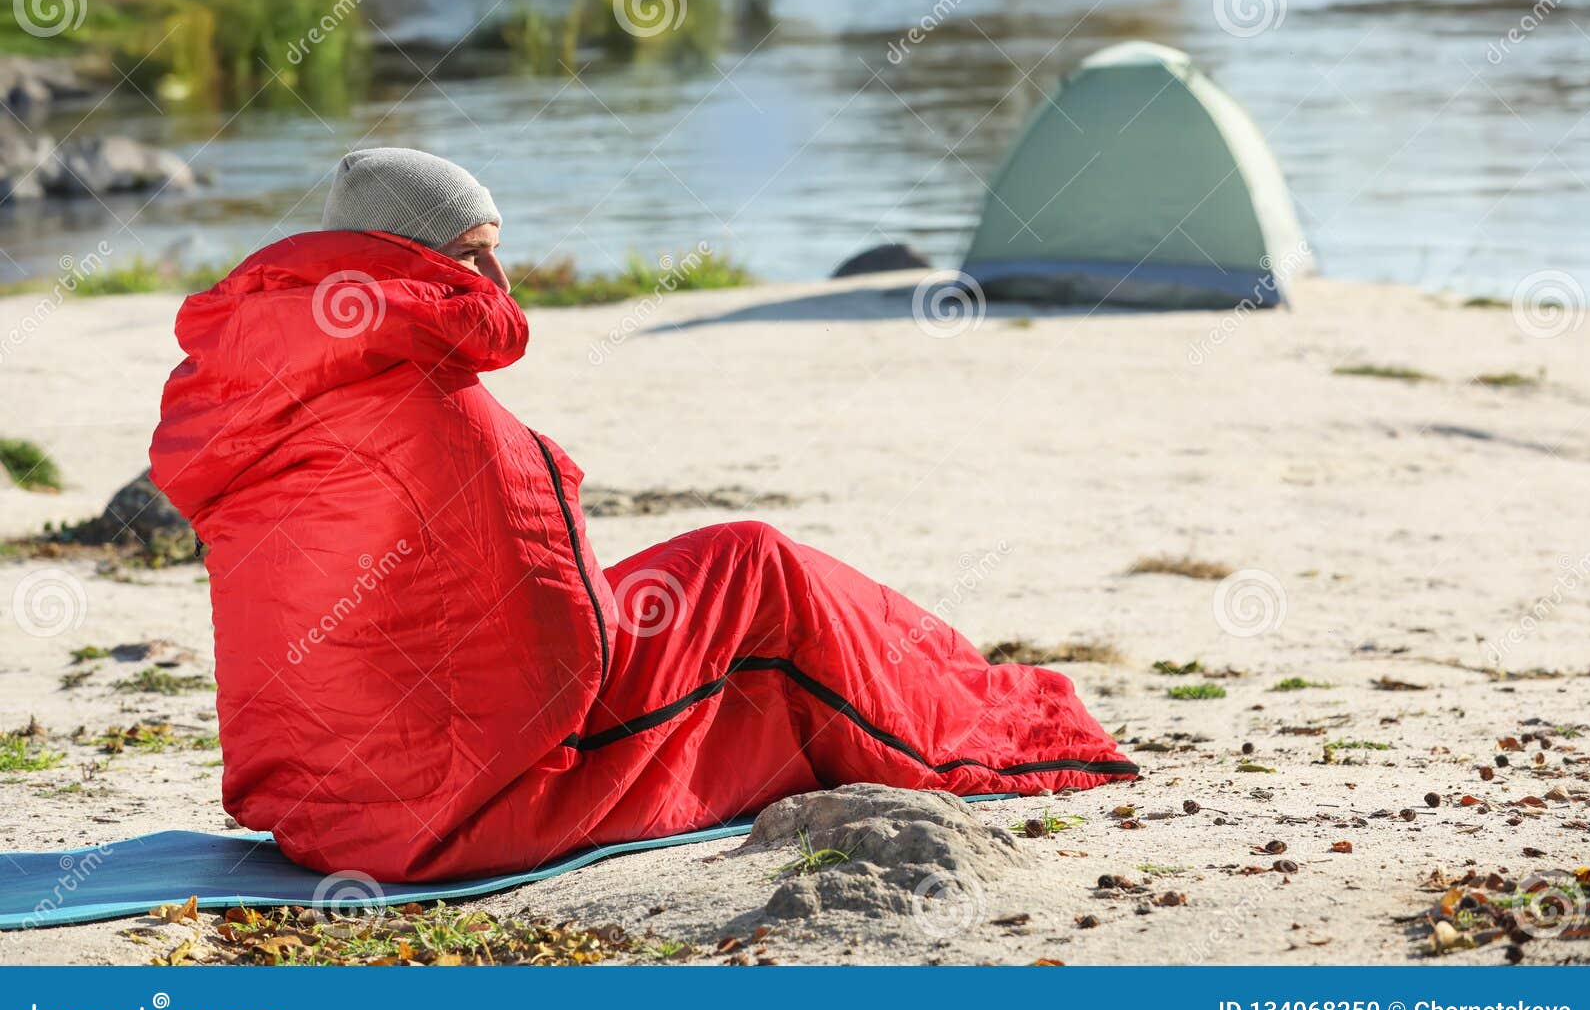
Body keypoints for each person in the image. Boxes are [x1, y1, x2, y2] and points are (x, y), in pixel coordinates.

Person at [149, 147, 1136, 882]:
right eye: (473, 256)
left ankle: (962, 680)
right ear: (410, 261)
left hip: (315, 810)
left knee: (735, 584)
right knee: (760, 572)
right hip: (454, 811)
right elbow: (563, 651)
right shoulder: (438, 408)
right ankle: (1009, 728)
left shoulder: (256, 395)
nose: (495, 285)